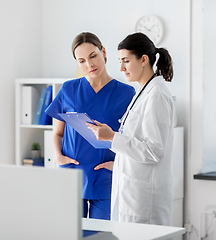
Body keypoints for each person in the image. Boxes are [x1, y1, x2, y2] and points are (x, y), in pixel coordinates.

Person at [45, 32, 135, 221]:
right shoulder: (68, 89)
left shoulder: (127, 93)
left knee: (101, 234)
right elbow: (58, 133)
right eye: (82, 61)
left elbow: (132, 138)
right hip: (72, 174)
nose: (89, 65)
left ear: (103, 52)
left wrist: (118, 164)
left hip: (106, 176)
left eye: (93, 56)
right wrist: (57, 156)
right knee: (70, 233)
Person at [87, 32, 175, 226]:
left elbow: (154, 151)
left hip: (144, 201)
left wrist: (112, 137)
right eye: (119, 61)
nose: (121, 68)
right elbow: (135, 140)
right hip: (132, 194)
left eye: (126, 61)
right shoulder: (142, 92)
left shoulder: (157, 95)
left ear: (143, 59)